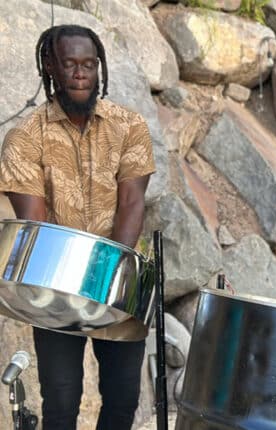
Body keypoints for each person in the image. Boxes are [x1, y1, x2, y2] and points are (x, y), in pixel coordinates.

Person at [0, 25, 155, 429]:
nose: (81, 73)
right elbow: (34, 225)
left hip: (116, 285)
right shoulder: (24, 138)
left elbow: (131, 202)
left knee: (123, 400)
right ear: (51, 65)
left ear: (99, 66)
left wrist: (109, 289)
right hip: (54, 290)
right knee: (61, 403)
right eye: (70, 64)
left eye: (89, 64)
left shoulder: (129, 126)